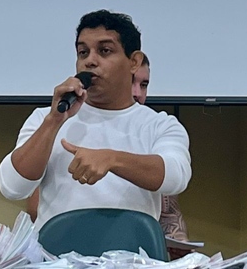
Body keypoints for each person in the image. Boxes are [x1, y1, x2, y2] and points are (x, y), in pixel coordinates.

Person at [0, 10, 192, 231]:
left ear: (134, 62)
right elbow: (12, 187)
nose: (90, 61)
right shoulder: (46, 118)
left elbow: (176, 176)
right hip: (56, 251)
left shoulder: (160, 125)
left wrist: (112, 159)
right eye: (83, 52)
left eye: (104, 51)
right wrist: (54, 120)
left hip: (131, 251)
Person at [24, 52, 193, 258]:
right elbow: (29, 201)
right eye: (131, 82)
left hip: (132, 263)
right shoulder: (52, 121)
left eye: (144, 85)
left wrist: (112, 159)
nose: (137, 93)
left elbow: (173, 192)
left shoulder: (159, 127)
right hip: (61, 258)